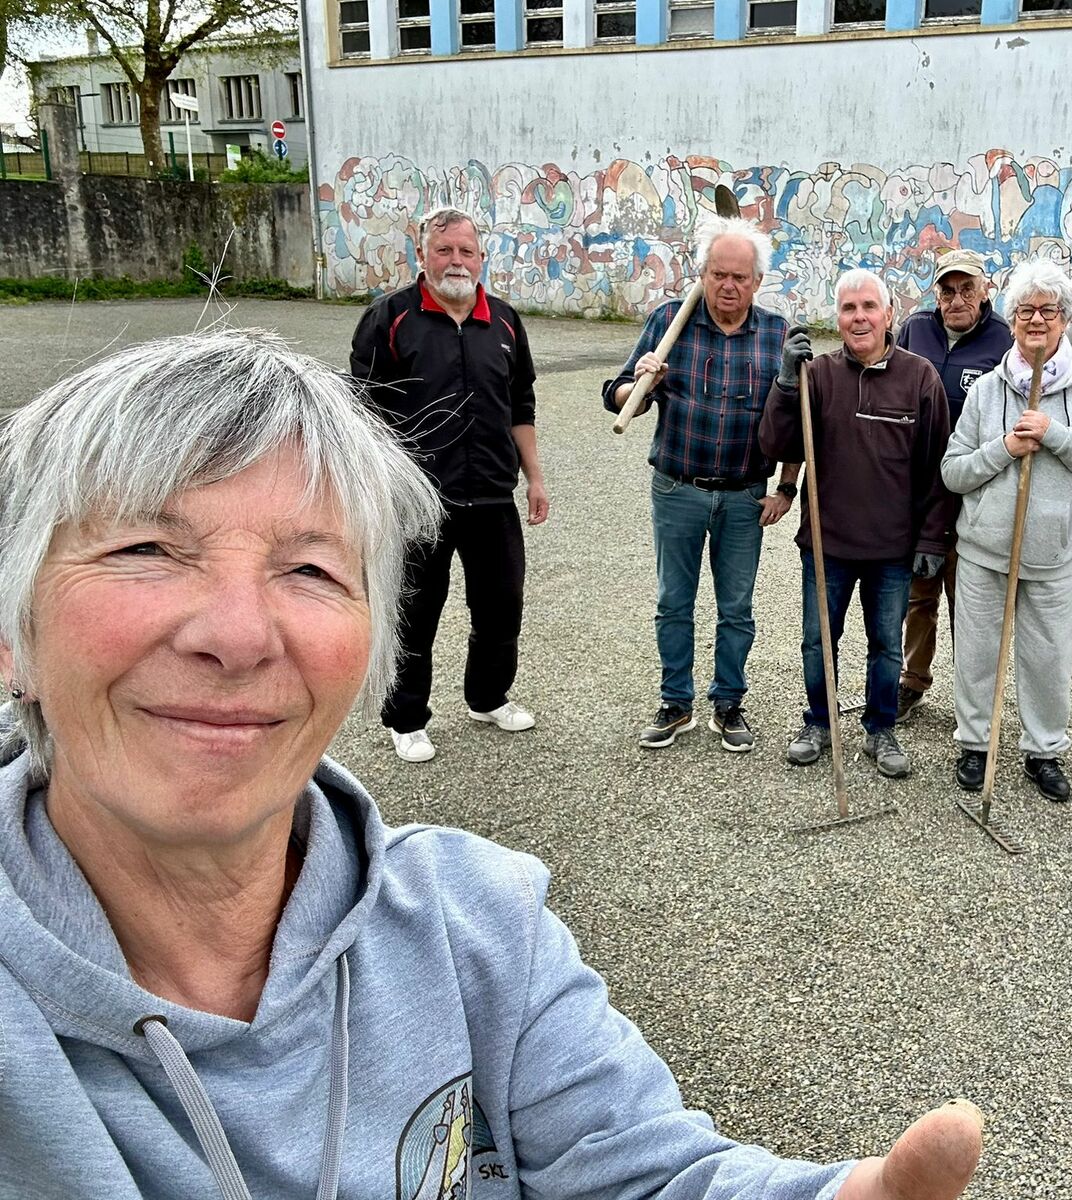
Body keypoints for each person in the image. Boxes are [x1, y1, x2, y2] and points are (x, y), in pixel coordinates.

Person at [0, 330, 983, 1197]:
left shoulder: (478, 927)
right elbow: (621, 403)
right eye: (145, 549)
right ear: (14, 631)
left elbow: (649, 1178)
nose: (237, 634)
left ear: (369, 642)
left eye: (309, 569)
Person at [350, 205, 548, 764]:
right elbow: (364, 414)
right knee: (415, 609)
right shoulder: (389, 318)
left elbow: (521, 404)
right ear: (423, 256)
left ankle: (488, 697)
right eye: (445, 250)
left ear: (481, 258)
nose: (456, 261)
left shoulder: (505, 321)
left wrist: (534, 478)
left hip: (491, 493)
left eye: (466, 251)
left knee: (500, 606)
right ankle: (406, 716)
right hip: (418, 500)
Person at [604, 215, 799, 753]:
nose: (728, 286)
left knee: (736, 606)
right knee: (674, 600)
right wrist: (641, 383)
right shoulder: (670, 322)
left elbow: (794, 420)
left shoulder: (777, 335)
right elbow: (617, 395)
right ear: (703, 275)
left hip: (743, 495)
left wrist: (786, 488)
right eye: (718, 274)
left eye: (739, 277)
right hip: (677, 488)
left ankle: (729, 703)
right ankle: (675, 702)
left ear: (757, 282)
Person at [941, 261, 1072, 801]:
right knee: (977, 653)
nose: (1037, 320)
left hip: (1053, 555)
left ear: (1065, 319)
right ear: (1013, 319)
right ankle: (977, 743)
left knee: (1046, 659)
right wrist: (1005, 448)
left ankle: (1043, 750)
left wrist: (1056, 436)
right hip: (984, 550)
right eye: (1026, 311)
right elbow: (952, 473)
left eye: (1048, 310)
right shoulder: (987, 391)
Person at [759, 270, 955, 779]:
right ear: (838, 317)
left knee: (887, 644)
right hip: (827, 542)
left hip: (894, 547)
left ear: (889, 314)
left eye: (870, 306)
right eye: (849, 308)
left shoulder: (920, 378)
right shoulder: (817, 375)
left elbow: (939, 466)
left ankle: (880, 728)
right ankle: (820, 722)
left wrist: (933, 536)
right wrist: (785, 384)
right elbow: (777, 445)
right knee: (817, 640)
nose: (859, 317)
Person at [893, 248, 1012, 723]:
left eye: (967, 288)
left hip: (974, 491)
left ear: (986, 291)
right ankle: (912, 680)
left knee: (972, 600)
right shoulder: (914, 330)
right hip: (917, 490)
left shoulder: (1003, 340)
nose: (956, 298)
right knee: (919, 593)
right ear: (936, 293)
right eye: (947, 289)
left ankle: (975, 693)